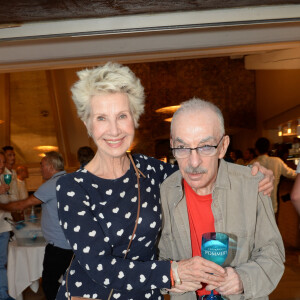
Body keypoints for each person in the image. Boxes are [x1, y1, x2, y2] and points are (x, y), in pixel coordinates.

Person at [55, 62, 274, 300]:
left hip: (147, 294)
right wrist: (173, 272)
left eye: (122, 116)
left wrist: (252, 173)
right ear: (87, 124)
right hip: (91, 294)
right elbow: (100, 267)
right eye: (101, 118)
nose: (114, 129)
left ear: (134, 119)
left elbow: (198, 165)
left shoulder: (150, 169)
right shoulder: (72, 187)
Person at [158, 98, 285, 300]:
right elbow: (159, 257)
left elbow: (273, 255)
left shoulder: (252, 185)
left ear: (223, 146)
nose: (193, 162)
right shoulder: (165, 191)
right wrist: (173, 275)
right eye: (182, 147)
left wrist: (243, 279)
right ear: (172, 145)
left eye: (205, 146)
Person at [0, 152, 73, 300]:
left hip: (58, 245)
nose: (40, 168)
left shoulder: (51, 185)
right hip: (73, 243)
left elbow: (23, 204)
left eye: (42, 165)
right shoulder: (71, 180)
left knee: (49, 283)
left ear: (50, 166)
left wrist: (2, 206)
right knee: (68, 281)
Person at [251, 137, 296, 214]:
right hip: (272, 204)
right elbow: (293, 174)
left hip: (255, 205)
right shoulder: (277, 161)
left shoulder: (251, 164)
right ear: (268, 148)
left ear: (256, 150)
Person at [0, 151, 15, 300]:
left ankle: (3, 295)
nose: (2, 165)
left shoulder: (3, 178)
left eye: (3, 162)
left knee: (1, 264)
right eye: (0, 161)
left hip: (3, 227)